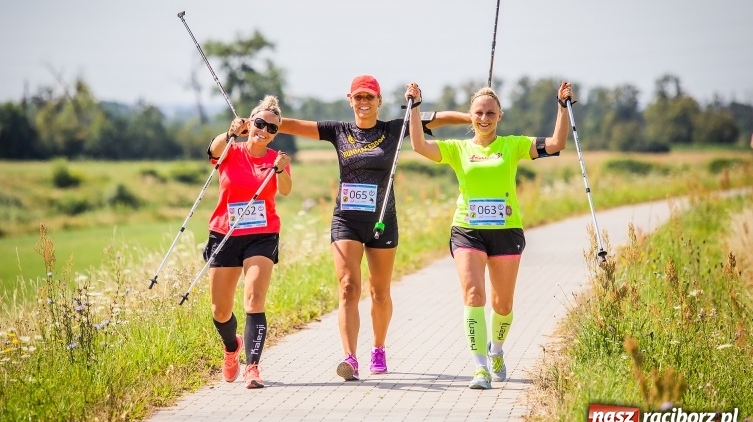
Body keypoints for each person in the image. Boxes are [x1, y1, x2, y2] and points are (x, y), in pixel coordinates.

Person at [278, 74, 469, 380]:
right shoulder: (338, 131)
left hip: (382, 220)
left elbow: (437, 118)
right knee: (348, 287)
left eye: (369, 96)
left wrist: (474, 117)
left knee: (380, 293)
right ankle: (350, 358)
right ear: (350, 100)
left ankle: (378, 348)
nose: (364, 102)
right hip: (346, 220)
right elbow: (293, 125)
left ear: (379, 100)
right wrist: (259, 121)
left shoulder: (394, 128)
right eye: (358, 97)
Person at [405, 81, 573, 390]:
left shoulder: (513, 145)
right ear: (470, 116)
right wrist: (415, 107)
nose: (484, 118)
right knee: (473, 295)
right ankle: (480, 367)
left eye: (490, 113)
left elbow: (555, 143)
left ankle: (496, 350)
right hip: (467, 230)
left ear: (500, 116)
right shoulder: (457, 149)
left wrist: (562, 107)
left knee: (502, 304)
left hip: (506, 232)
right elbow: (419, 146)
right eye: (479, 113)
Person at [204, 95, 292, 389]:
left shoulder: (277, 158)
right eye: (260, 123)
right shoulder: (231, 149)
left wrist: (281, 170)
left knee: (254, 298)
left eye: (272, 128)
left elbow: (286, 190)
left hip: (262, 235)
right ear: (250, 123)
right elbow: (212, 150)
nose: (264, 131)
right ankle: (232, 347)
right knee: (220, 310)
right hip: (225, 233)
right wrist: (230, 133)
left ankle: (252, 367)